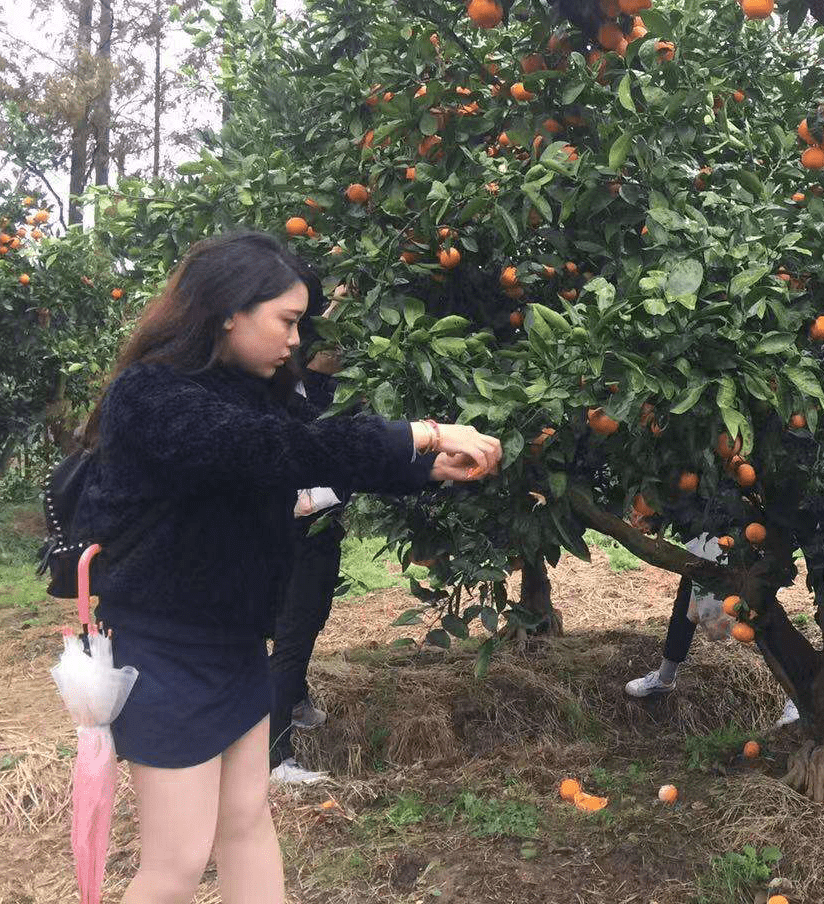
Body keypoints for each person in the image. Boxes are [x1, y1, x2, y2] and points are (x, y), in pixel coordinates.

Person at [74, 231, 503, 904]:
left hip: (237, 643)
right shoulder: (151, 394)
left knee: (246, 822)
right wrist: (421, 432)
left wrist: (427, 468)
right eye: (288, 320)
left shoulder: (255, 388)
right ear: (227, 312)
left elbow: (323, 447)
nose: (295, 341)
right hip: (164, 650)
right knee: (177, 862)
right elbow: (269, 449)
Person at [269, 273, 351, 785]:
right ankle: (275, 758)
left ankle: (294, 700)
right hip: (297, 525)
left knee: (309, 619)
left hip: (322, 523)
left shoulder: (307, 386)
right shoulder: (283, 391)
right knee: (292, 634)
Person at [623, 569, 799, 726]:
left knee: (759, 608)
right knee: (688, 593)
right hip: (708, 541)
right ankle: (665, 677)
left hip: (749, 545)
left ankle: (796, 694)